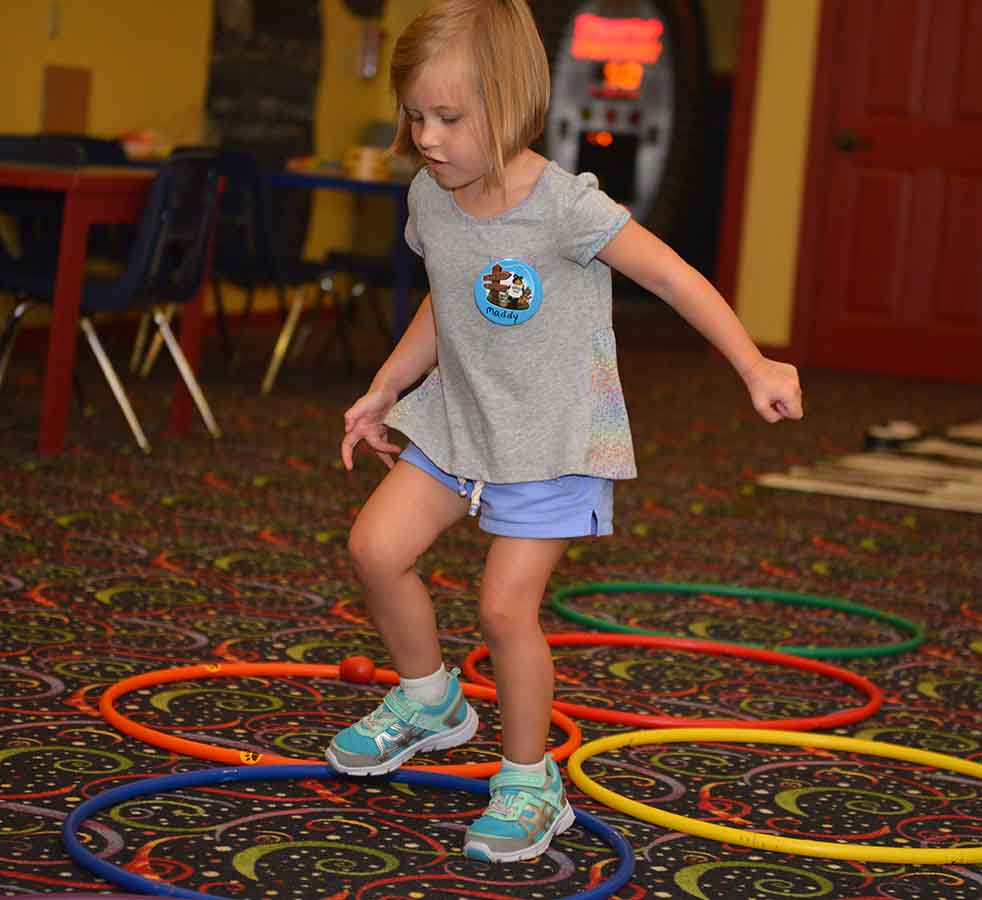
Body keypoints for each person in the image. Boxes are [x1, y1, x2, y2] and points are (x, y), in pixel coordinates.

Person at [325, 0, 803, 863]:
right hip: (459, 423)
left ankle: (528, 780)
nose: (427, 138)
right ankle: (430, 699)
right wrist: (386, 385)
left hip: (550, 439)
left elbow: (674, 276)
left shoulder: (565, 208)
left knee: (505, 609)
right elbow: (448, 297)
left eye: (449, 118)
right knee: (374, 548)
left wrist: (754, 363)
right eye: (416, 116)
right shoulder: (431, 195)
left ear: (509, 108)